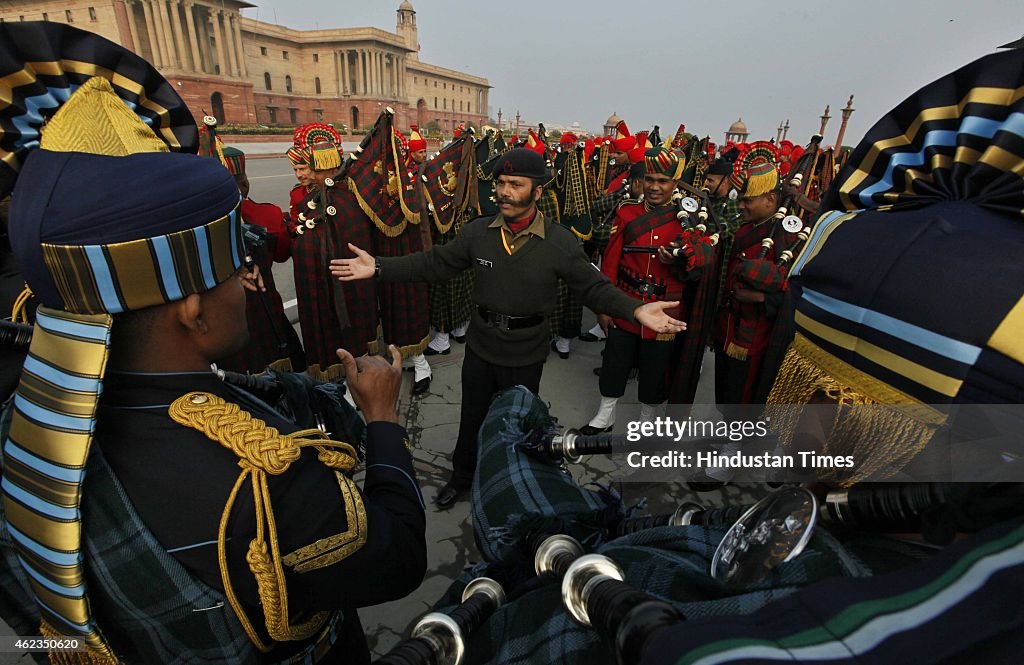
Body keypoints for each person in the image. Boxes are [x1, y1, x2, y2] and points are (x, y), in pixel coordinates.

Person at [0, 26, 425, 664]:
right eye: (235, 268)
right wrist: (384, 425)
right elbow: (395, 561)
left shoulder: (22, 430)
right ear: (192, 311)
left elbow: (40, 630)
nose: (248, 278)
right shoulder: (268, 480)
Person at [330, 148, 687, 509]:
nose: (503, 191)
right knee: (471, 419)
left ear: (537, 192)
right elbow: (434, 263)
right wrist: (379, 268)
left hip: (526, 352)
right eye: (500, 183)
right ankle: (462, 477)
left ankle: (512, 485)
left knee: (517, 425)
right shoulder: (478, 234)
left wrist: (636, 309)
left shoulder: (559, 242)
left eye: (515, 184)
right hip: (482, 347)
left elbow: (594, 288)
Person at [581, 147, 711, 434]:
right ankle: (605, 416)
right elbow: (611, 259)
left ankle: (647, 419)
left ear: (675, 184)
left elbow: (697, 268)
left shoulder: (687, 219)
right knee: (616, 360)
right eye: (650, 179)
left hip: (666, 307)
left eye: (663, 181)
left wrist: (679, 260)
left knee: (656, 367)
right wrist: (605, 305)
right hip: (626, 301)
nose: (654, 186)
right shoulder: (628, 212)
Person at [288, 124, 380, 370]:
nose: (311, 175)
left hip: (350, 279)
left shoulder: (347, 198)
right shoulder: (315, 199)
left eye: (315, 170)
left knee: (351, 330)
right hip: (325, 283)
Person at [712, 145, 794, 418]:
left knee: (744, 390)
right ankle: (728, 429)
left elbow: (795, 293)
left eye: (748, 200)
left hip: (755, 332)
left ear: (770, 199)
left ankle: (736, 443)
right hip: (728, 324)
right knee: (725, 385)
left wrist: (761, 298)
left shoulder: (787, 238)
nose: (741, 205)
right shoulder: (744, 227)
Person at [215, 146, 305, 373]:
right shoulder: (269, 215)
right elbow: (284, 254)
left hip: (224, 332)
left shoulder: (196, 227)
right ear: (244, 182)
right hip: (269, 320)